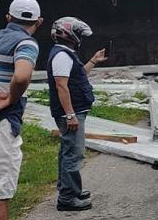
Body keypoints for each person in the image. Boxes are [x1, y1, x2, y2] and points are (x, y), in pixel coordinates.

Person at [0, 0, 42, 220]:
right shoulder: (26, 43)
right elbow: (23, 75)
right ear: (39, 22)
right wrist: (10, 99)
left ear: (8, 18)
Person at [47, 17, 107, 212]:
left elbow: (78, 75)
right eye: (79, 34)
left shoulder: (66, 54)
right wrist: (70, 115)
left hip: (74, 111)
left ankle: (71, 189)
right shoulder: (62, 55)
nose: (80, 38)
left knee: (68, 152)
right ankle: (67, 198)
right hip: (71, 114)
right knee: (74, 154)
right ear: (70, 35)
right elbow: (61, 86)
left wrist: (93, 61)